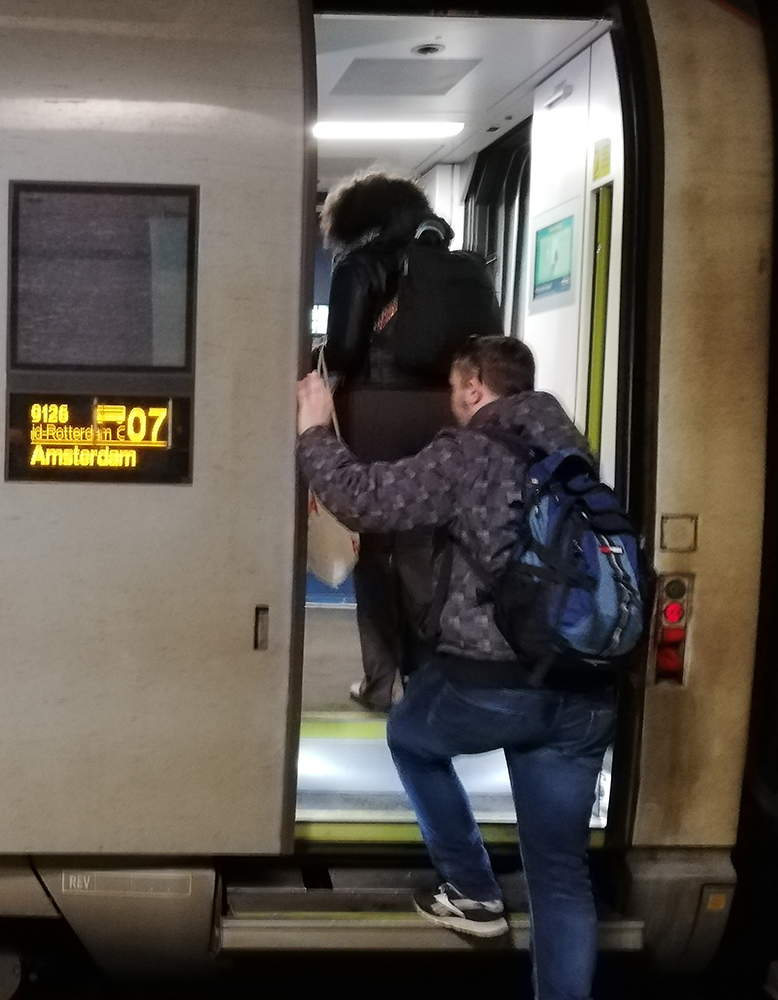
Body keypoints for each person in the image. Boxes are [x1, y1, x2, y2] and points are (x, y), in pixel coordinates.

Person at [296, 336, 617, 1000]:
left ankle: (471, 888)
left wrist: (316, 430)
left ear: (474, 388)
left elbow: (367, 499)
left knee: (408, 734)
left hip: (494, 683)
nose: (452, 400)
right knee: (560, 875)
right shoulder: (575, 454)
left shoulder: (471, 453)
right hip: (583, 687)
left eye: (453, 388)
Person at [319, 172, 457, 711]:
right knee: (427, 549)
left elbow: (345, 351)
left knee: (375, 550)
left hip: (376, 416)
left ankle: (381, 683)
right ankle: (430, 683)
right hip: (444, 415)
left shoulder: (359, 265)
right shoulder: (454, 263)